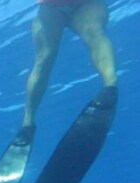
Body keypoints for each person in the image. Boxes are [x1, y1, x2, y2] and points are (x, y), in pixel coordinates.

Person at [18, 0, 118, 144]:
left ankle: (110, 86)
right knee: (44, 58)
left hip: (87, 3)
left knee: (94, 33)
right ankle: (27, 123)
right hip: (50, 7)